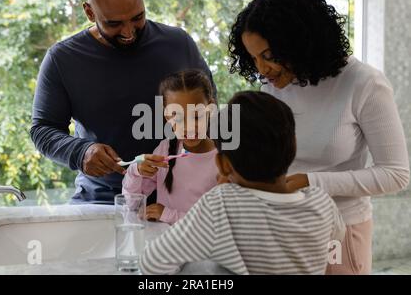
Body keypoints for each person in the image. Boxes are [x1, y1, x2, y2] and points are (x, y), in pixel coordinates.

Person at [228, 0, 409, 274]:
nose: (262, 69)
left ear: (300, 42)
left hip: (339, 230)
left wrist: (307, 181)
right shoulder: (273, 86)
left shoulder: (364, 83)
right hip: (281, 225)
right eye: (254, 58)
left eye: (269, 55)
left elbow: (396, 175)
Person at [30, 0, 215, 204]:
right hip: (102, 201)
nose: (128, 32)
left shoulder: (179, 44)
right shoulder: (62, 59)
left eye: (137, 18)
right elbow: (42, 130)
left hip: (180, 200)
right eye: (114, 23)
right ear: (89, 12)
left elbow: (212, 112)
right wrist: (81, 152)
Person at [140, 91, 345, 275]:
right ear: (294, 147)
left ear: (222, 164)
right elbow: (334, 240)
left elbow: (152, 263)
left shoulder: (222, 203)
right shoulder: (322, 202)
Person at [123, 70, 218, 224]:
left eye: (196, 116)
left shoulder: (223, 161)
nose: (189, 127)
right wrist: (136, 170)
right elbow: (132, 204)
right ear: (167, 116)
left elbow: (216, 224)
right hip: (163, 243)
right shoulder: (165, 150)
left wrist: (168, 214)